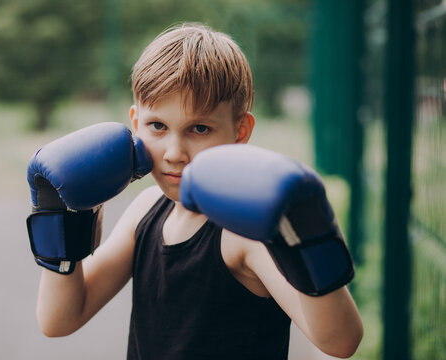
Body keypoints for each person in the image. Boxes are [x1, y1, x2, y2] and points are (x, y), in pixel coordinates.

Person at [27, 23, 363, 359]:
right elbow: (59, 320)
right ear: (135, 122)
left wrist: (307, 237)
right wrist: (60, 217)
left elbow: (340, 342)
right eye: (157, 126)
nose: (174, 152)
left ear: (240, 130)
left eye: (199, 128)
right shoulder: (146, 210)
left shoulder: (243, 235)